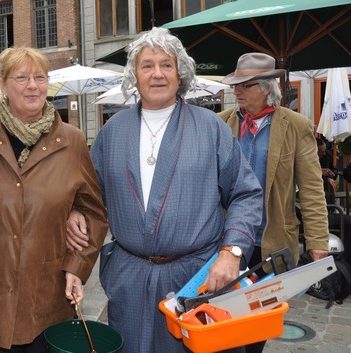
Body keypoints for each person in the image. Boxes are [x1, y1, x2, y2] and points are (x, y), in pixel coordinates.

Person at [68, 27, 263, 352]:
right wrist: (75, 208)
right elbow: (90, 196)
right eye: (147, 65)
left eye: (166, 65)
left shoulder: (210, 128)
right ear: (134, 75)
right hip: (130, 280)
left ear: (180, 73)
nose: (157, 73)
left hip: (198, 277)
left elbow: (246, 193)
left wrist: (232, 253)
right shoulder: (112, 132)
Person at [0, 47, 109, 352]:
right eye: (22, 77)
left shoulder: (72, 140)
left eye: (40, 77)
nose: (32, 85)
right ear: (2, 85)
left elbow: (94, 213)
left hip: (47, 297)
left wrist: (77, 265)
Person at [218, 52, 330, 353]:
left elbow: (311, 189)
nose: (236, 91)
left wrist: (318, 246)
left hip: (272, 245)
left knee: (258, 322)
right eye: (235, 85)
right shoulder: (219, 124)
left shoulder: (295, 126)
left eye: (245, 85)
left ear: (267, 87)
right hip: (225, 244)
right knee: (221, 318)